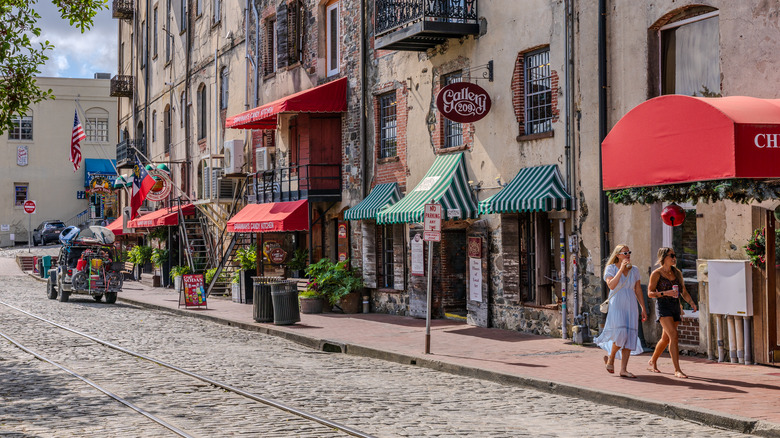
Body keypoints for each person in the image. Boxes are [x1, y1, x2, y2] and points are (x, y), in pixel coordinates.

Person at [595, 244, 648, 378]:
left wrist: (643, 307)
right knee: (620, 334)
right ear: (617, 255)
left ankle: (623, 369)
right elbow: (611, 285)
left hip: (630, 304)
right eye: (625, 253)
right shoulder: (611, 268)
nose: (628, 254)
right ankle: (611, 358)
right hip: (617, 304)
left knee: (630, 336)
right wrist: (621, 269)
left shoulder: (634, 270)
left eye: (629, 252)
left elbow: (637, 289)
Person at [646, 247, 698, 378]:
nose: (674, 258)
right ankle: (677, 370)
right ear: (663, 257)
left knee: (666, 338)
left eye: (674, 255)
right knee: (674, 335)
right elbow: (650, 293)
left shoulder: (677, 273)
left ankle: (652, 361)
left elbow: (683, 292)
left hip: (675, 306)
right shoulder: (656, 274)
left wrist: (691, 303)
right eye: (671, 255)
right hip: (663, 306)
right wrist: (665, 293)